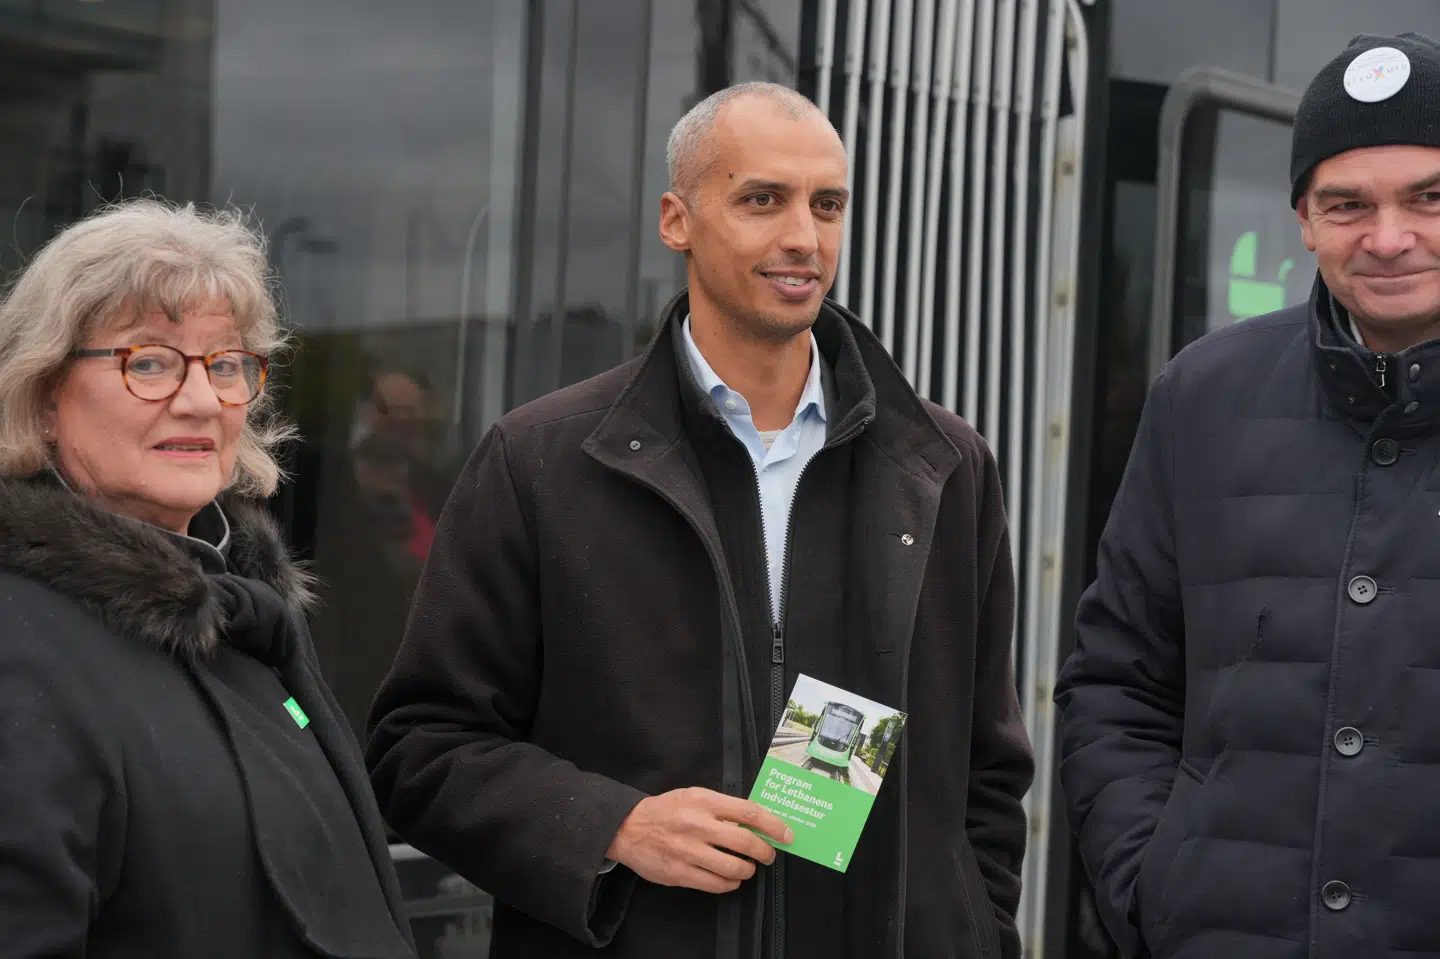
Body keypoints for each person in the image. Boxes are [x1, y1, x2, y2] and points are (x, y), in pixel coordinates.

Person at [366, 82, 1033, 959]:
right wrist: (614, 826)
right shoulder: (541, 460)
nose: (804, 236)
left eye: (826, 204)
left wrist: (977, 935)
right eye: (762, 199)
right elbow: (419, 749)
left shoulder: (944, 467)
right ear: (676, 220)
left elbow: (987, 777)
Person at [1055, 31, 1440, 959]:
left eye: (1428, 198)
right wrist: (1153, 883)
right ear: (1304, 218)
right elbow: (1118, 679)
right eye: (1347, 204)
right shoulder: (1202, 396)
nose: (1387, 237)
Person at [0, 198, 416, 959]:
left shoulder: (243, 617)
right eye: (148, 362)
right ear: (44, 395)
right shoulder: (20, 647)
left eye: (224, 364)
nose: (199, 400)